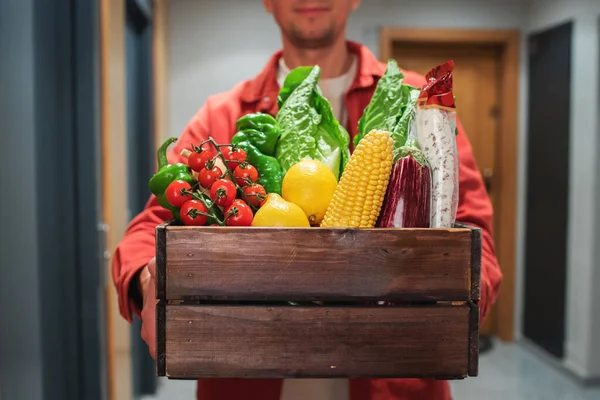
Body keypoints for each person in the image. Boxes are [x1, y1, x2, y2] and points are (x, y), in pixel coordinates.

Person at [112, 1, 503, 399]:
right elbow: (150, 228)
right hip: (247, 371)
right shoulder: (223, 114)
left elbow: (476, 238)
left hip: (395, 375)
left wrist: (457, 298)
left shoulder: (419, 101)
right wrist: (148, 279)